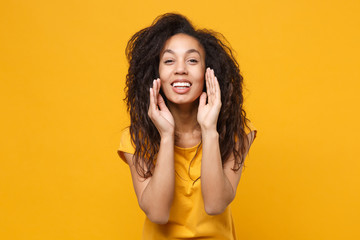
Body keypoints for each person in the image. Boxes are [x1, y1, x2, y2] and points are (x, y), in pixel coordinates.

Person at [117, 12, 258, 240]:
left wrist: (209, 130)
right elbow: (158, 213)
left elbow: (215, 204)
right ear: (156, 75)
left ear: (208, 72)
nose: (180, 69)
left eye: (192, 60)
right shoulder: (136, 137)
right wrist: (166, 135)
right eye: (169, 60)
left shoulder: (237, 131)